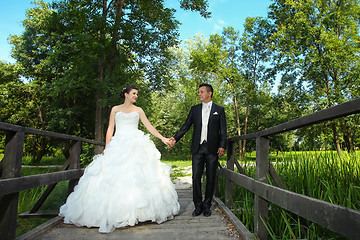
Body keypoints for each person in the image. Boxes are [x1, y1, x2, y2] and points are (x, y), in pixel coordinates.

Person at [59, 85, 180, 233]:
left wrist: (162, 138)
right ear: (126, 94)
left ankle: (137, 212)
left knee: (137, 176)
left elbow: (149, 127)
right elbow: (110, 128)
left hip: (136, 144)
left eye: (137, 94)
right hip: (119, 143)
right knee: (112, 177)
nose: (136, 96)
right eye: (134, 93)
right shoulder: (115, 109)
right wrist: (107, 147)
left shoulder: (139, 110)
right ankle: (114, 212)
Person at [170, 83, 227, 217]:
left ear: (209, 93)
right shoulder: (194, 109)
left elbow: (223, 130)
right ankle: (197, 205)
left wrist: (222, 145)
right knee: (196, 176)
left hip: (212, 148)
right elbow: (186, 125)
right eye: (199, 92)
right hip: (197, 148)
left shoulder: (219, 110)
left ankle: (207, 205)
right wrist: (175, 138)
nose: (199, 94)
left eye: (202, 92)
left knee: (211, 178)